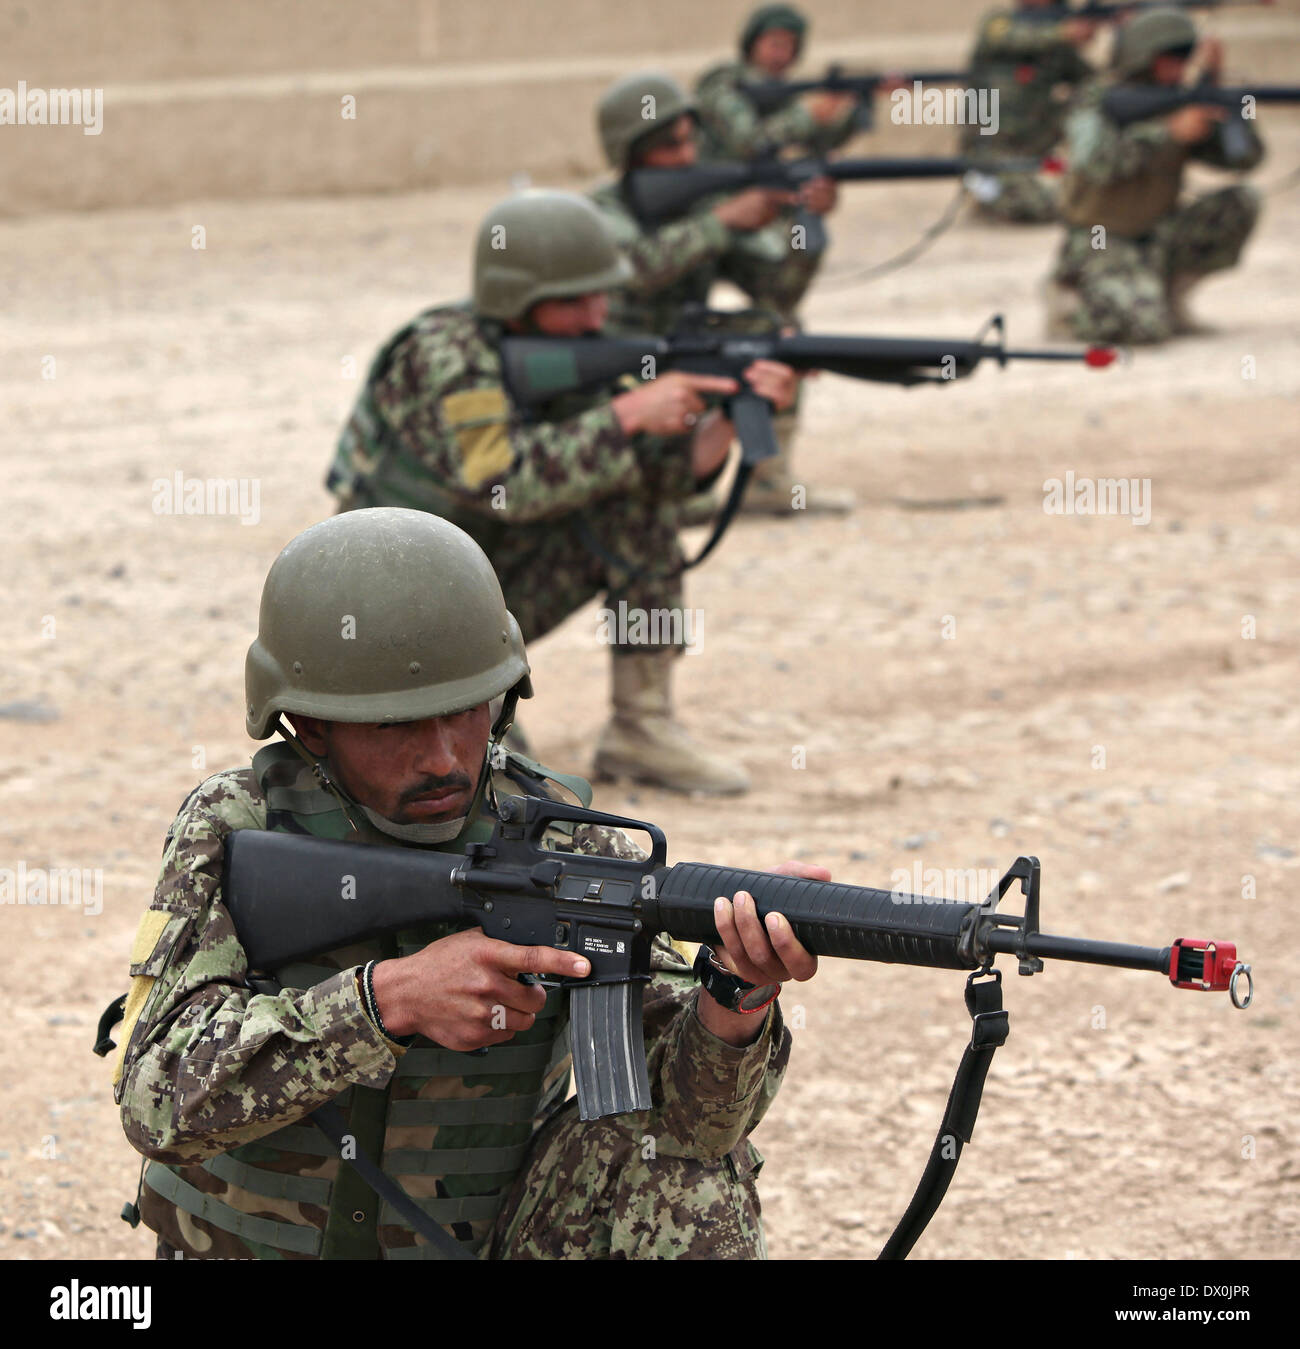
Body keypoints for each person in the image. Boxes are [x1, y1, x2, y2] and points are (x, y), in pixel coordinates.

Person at [112, 508, 826, 1259]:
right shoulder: (237, 824)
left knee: (690, 1179)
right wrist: (387, 1000)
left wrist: (734, 995)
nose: (445, 758)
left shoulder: (567, 842)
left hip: (485, 1242)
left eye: (467, 713)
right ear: (310, 725)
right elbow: (157, 1099)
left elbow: (693, 1125)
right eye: (397, 726)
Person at [326, 189, 799, 795]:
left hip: (485, 588)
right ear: (518, 295)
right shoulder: (444, 353)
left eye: (603, 293)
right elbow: (504, 483)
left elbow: (664, 482)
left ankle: (641, 727)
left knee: (638, 510)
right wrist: (627, 414)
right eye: (577, 299)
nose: (598, 314)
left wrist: (730, 414)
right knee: (498, 794)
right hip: (397, 608)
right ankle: (480, 727)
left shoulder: (578, 350)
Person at [590, 69, 851, 516]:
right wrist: (722, 222)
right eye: (671, 145)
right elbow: (634, 268)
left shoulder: (700, 204)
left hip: (684, 352)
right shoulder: (597, 212)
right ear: (630, 151)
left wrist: (807, 225)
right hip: (614, 370)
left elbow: (777, 290)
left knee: (777, 332)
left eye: (691, 141)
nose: (689, 154)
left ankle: (766, 478)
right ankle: (655, 485)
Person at [692, 5, 856, 514]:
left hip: (752, 227)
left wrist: (848, 113)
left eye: (791, 43)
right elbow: (749, 142)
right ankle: (672, 482)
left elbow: (811, 149)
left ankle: (768, 479)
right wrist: (809, 114)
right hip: (693, 225)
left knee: (780, 324)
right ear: (751, 42)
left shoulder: (786, 100)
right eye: (773, 41)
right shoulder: (722, 83)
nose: (781, 52)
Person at [1048, 7, 1264, 343]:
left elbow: (1244, 161)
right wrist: (1167, 133)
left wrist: (1222, 102)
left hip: (1159, 233)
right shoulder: (1096, 98)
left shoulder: (1182, 100)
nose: (1177, 66)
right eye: (1168, 56)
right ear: (1142, 55)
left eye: (1184, 57)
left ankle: (1169, 298)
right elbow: (1096, 162)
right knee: (1143, 329)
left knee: (1243, 200)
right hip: (1104, 238)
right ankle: (1071, 303)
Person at [960, 1, 1100, 223]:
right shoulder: (999, 22)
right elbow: (1010, 38)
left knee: (1088, 105)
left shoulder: (1058, 48)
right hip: (992, 147)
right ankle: (990, 196)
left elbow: (1095, 82)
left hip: (1034, 140)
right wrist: (1064, 32)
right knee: (1037, 208)